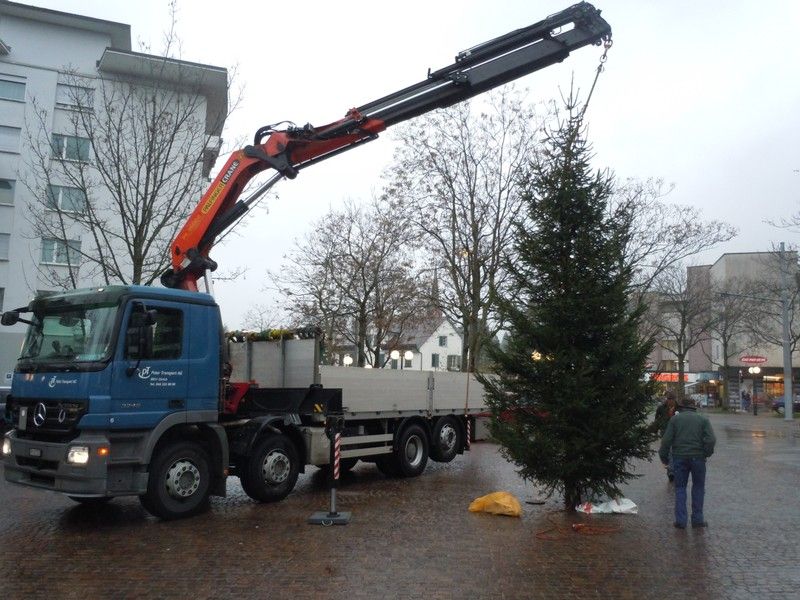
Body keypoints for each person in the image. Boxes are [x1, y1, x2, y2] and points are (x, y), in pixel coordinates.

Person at [659, 396, 716, 529]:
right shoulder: (703, 419)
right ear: (694, 405)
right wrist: (706, 453)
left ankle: (680, 521)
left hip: (679, 457)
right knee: (698, 487)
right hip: (698, 458)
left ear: (681, 405)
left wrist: (664, 458)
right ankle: (697, 520)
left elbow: (666, 441)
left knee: (680, 489)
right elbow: (711, 439)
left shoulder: (675, 419)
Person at [652, 391, 678, 481]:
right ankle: (670, 469)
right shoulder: (661, 408)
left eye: (672, 399)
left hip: (676, 433)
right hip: (665, 432)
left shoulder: (679, 408)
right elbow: (657, 420)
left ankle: (671, 471)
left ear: (675, 399)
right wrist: (655, 431)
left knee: (672, 451)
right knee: (664, 452)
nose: (670, 401)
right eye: (668, 399)